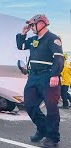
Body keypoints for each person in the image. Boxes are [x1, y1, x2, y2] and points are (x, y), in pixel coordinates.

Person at [16, 14, 64, 147]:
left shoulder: (53, 39)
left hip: (48, 76)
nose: (31, 27)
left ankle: (53, 138)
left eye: (32, 25)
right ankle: (42, 129)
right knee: (29, 104)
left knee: (51, 107)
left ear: (42, 24)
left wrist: (55, 75)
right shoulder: (33, 39)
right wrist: (23, 33)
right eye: (30, 25)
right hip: (33, 77)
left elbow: (59, 58)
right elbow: (21, 46)